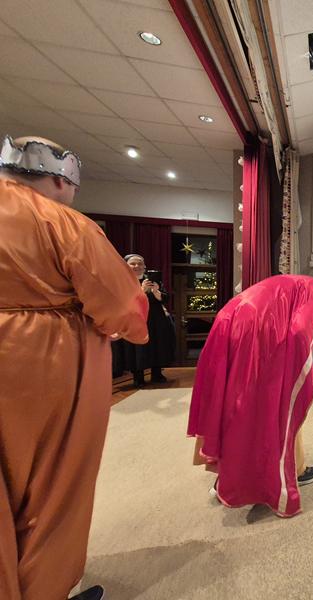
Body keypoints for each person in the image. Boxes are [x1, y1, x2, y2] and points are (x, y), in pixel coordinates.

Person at [0, 135, 149, 600]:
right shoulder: (62, 223)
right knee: (54, 482)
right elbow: (123, 305)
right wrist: (123, 328)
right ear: (61, 180)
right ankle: (43, 589)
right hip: (45, 359)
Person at [188, 274, 313, 517]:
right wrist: (298, 372)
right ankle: (259, 480)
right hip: (255, 330)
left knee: (232, 401)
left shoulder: (297, 282)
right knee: (268, 407)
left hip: (230, 319)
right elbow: (299, 332)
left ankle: (229, 473)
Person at [112, 253, 175, 387]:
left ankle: (157, 373)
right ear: (126, 266)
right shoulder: (122, 281)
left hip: (155, 319)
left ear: (144, 266)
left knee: (157, 345)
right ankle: (138, 377)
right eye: (133, 264)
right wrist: (142, 290)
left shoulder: (152, 280)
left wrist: (156, 291)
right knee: (137, 348)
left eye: (140, 264)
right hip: (135, 319)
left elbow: (165, 298)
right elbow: (124, 301)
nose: (137, 266)